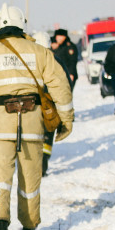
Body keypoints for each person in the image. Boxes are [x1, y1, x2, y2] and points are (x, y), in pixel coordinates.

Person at [0, 3, 74, 230]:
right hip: (32, 124)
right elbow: (61, 85)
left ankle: (0, 226)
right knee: (30, 177)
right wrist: (66, 119)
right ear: (22, 24)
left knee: (0, 177)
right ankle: (30, 222)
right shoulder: (40, 52)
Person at [32, 31, 73, 177]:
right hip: (51, 106)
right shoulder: (57, 61)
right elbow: (66, 85)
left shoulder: (27, 61)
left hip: (30, 106)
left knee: (32, 137)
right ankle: (42, 167)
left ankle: (33, 166)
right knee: (47, 137)